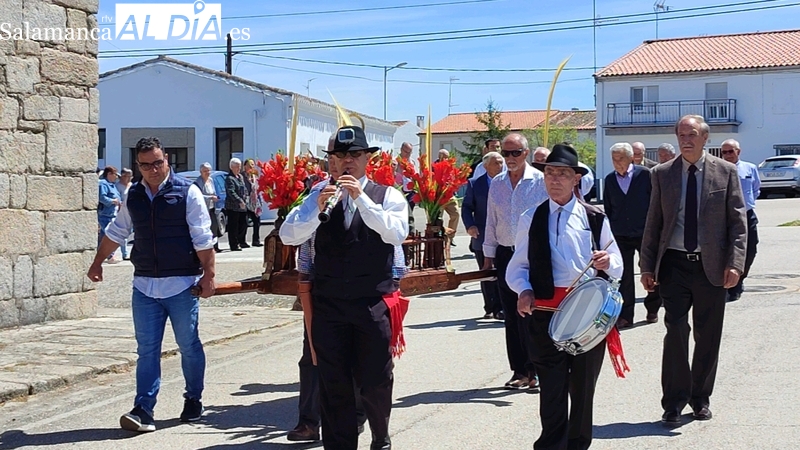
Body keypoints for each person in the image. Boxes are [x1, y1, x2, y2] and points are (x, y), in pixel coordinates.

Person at [280, 125, 408, 450]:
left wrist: (361, 199)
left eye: (353, 155)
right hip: (330, 304)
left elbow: (396, 233)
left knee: (375, 381)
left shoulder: (386, 196)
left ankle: (380, 433)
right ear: (331, 161)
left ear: (367, 159)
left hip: (371, 302)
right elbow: (288, 235)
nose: (346, 162)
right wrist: (316, 212)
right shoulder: (318, 195)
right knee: (333, 384)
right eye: (339, 156)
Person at [86, 137, 216, 432]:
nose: (153, 170)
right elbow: (117, 230)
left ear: (167, 159)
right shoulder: (134, 194)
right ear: (138, 166)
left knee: (189, 345)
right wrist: (97, 263)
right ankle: (143, 409)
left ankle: (194, 398)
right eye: (146, 165)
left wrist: (208, 276)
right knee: (147, 350)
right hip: (144, 285)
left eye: (158, 162)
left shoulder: (187, 193)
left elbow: (203, 237)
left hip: (182, 284)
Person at [507, 143, 623, 450]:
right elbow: (517, 265)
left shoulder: (594, 218)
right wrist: (524, 290)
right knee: (552, 387)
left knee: (583, 388)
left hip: (586, 317)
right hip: (545, 314)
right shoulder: (530, 217)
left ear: (576, 180)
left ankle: (578, 443)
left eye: (563, 173)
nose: (555, 178)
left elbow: (618, 262)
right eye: (550, 173)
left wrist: (606, 261)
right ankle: (551, 444)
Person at [640, 115, 747, 426]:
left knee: (707, 334)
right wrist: (647, 266)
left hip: (711, 267)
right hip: (673, 265)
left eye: (692, 134)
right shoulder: (662, 174)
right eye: (681, 134)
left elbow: (738, 226)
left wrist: (735, 263)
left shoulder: (725, 172)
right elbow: (653, 223)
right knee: (675, 331)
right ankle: (673, 401)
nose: (685, 139)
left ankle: (700, 398)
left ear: (705, 138)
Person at [483, 133, 548, 391]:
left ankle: (538, 370)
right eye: (506, 154)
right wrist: (488, 254)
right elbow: (491, 220)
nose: (510, 158)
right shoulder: (497, 183)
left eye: (515, 153)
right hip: (505, 254)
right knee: (511, 315)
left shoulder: (540, 181)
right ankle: (520, 370)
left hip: (533, 254)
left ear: (526, 153)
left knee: (532, 314)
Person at [603, 143, 658, 328]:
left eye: (620, 158)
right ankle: (626, 315)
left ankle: (653, 308)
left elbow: (655, 203)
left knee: (650, 270)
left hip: (644, 232)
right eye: (614, 159)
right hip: (620, 233)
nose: (617, 162)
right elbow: (609, 207)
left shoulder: (645, 174)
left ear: (630, 158)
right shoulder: (610, 179)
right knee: (624, 275)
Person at [462, 151, 505, 320]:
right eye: (496, 163)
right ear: (486, 166)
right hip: (481, 234)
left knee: (502, 272)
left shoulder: (508, 182)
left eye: (502, 163)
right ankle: (490, 307)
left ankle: (502, 307)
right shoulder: (475, 184)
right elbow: (466, 207)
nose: (500, 166)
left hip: (503, 235)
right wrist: (470, 225)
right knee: (486, 272)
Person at [720, 138, 760, 302]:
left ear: (739, 151)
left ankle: (740, 279)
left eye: (731, 151)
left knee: (750, 249)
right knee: (725, 250)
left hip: (747, 214)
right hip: (725, 215)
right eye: (724, 152)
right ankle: (729, 285)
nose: (728, 155)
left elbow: (756, 188)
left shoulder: (749, 168)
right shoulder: (719, 169)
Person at [195, 162, 223, 253]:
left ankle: (215, 246)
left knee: (214, 227)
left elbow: (214, 192)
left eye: (208, 171)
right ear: (200, 172)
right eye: (204, 171)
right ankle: (209, 248)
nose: (207, 173)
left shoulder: (210, 180)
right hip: (204, 209)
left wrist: (215, 197)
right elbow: (198, 196)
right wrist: (210, 197)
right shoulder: (198, 182)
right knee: (206, 228)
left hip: (212, 208)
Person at [437, 148, 460, 247]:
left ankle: (450, 237)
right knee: (438, 218)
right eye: (443, 157)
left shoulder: (451, 166)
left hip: (450, 195)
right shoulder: (434, 166)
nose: (445, 159)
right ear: (439, 157)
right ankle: (439, 236)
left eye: (447, 157)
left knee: (456, 214)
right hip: (438, 197)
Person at [98, 166, 121, 262]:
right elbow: (102, 197)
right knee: (111, 234)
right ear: (109, 174)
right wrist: (112, 201)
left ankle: (100, 255)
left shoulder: (112, 185)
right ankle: (110, 256)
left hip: (112, 213)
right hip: (105, 214)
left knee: (104, 235)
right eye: (115, 175)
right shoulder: (103, 184)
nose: (116, 177)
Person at [224, 158, 249, 251]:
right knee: (233, 227)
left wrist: (246, 198)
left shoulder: (240, 177)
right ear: (231, 167)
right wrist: (239, 201)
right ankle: (234, 245)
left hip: (242, 206)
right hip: (233, 207)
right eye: (237, 167)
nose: (239, 168)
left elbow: (244, 189)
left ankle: (241, 241)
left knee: (243, 224)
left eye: (240, 166)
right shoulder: (229, 178)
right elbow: (231, 192)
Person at [243, 158, 263, 247]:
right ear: (245, 166)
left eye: (253, 164)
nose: (251, 166)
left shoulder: (255, 176)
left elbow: (258, 189)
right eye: (249, 164)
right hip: (246, 202)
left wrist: (260, 200)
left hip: (255, 203)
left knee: (257, 222)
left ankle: (256, 240)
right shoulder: (242, 176)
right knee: (244, 223)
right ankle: (242, 241)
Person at [115, 168, 134, 260]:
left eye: (130, 176)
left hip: (133, 211)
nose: (128, 178)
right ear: (122, 176)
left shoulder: (132, 186)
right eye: (126, 176)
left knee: (130, 232)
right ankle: (124, 253)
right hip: (121, 211)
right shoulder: (117, 186)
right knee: (122, 232)